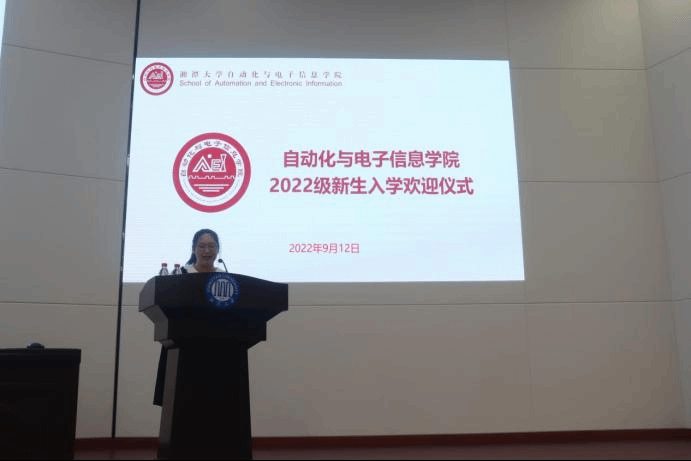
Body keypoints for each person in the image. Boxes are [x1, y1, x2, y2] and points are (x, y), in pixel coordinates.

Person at [153, 228, 223, 406]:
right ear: (194, 249)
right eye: (202, 246)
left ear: (217, 249)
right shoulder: (181, 274)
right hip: (183, 346)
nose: (207, 251)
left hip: (216, 349)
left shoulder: (225, 278)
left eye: (211, 246)